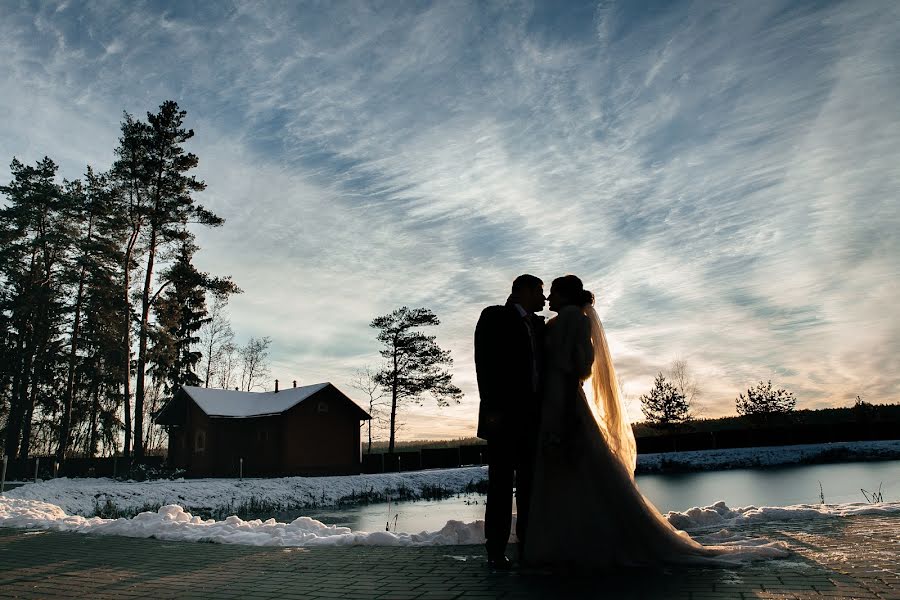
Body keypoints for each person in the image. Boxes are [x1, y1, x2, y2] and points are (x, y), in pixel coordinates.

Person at [524, 275, 788, 568]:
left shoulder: (572, 320)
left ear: (566, 295)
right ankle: (581, 539)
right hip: (557, 401)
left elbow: (580, 366)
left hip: (563, 404)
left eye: (553, 293)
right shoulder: (561, 322)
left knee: (574, 472)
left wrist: (560, 392)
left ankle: (580, 542)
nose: (548, 299)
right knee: (581, 474)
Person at [474, 274, 546, 570]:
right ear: (525, 291)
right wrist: (493, 411)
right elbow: (485, 364)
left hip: (534, 419)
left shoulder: (539, 326)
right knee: (501, 486)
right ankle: (496, 550)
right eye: (540, 292)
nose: (544, 299)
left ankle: (528, 546)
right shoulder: (494, 317)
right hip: (503, 418)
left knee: (530, 485)